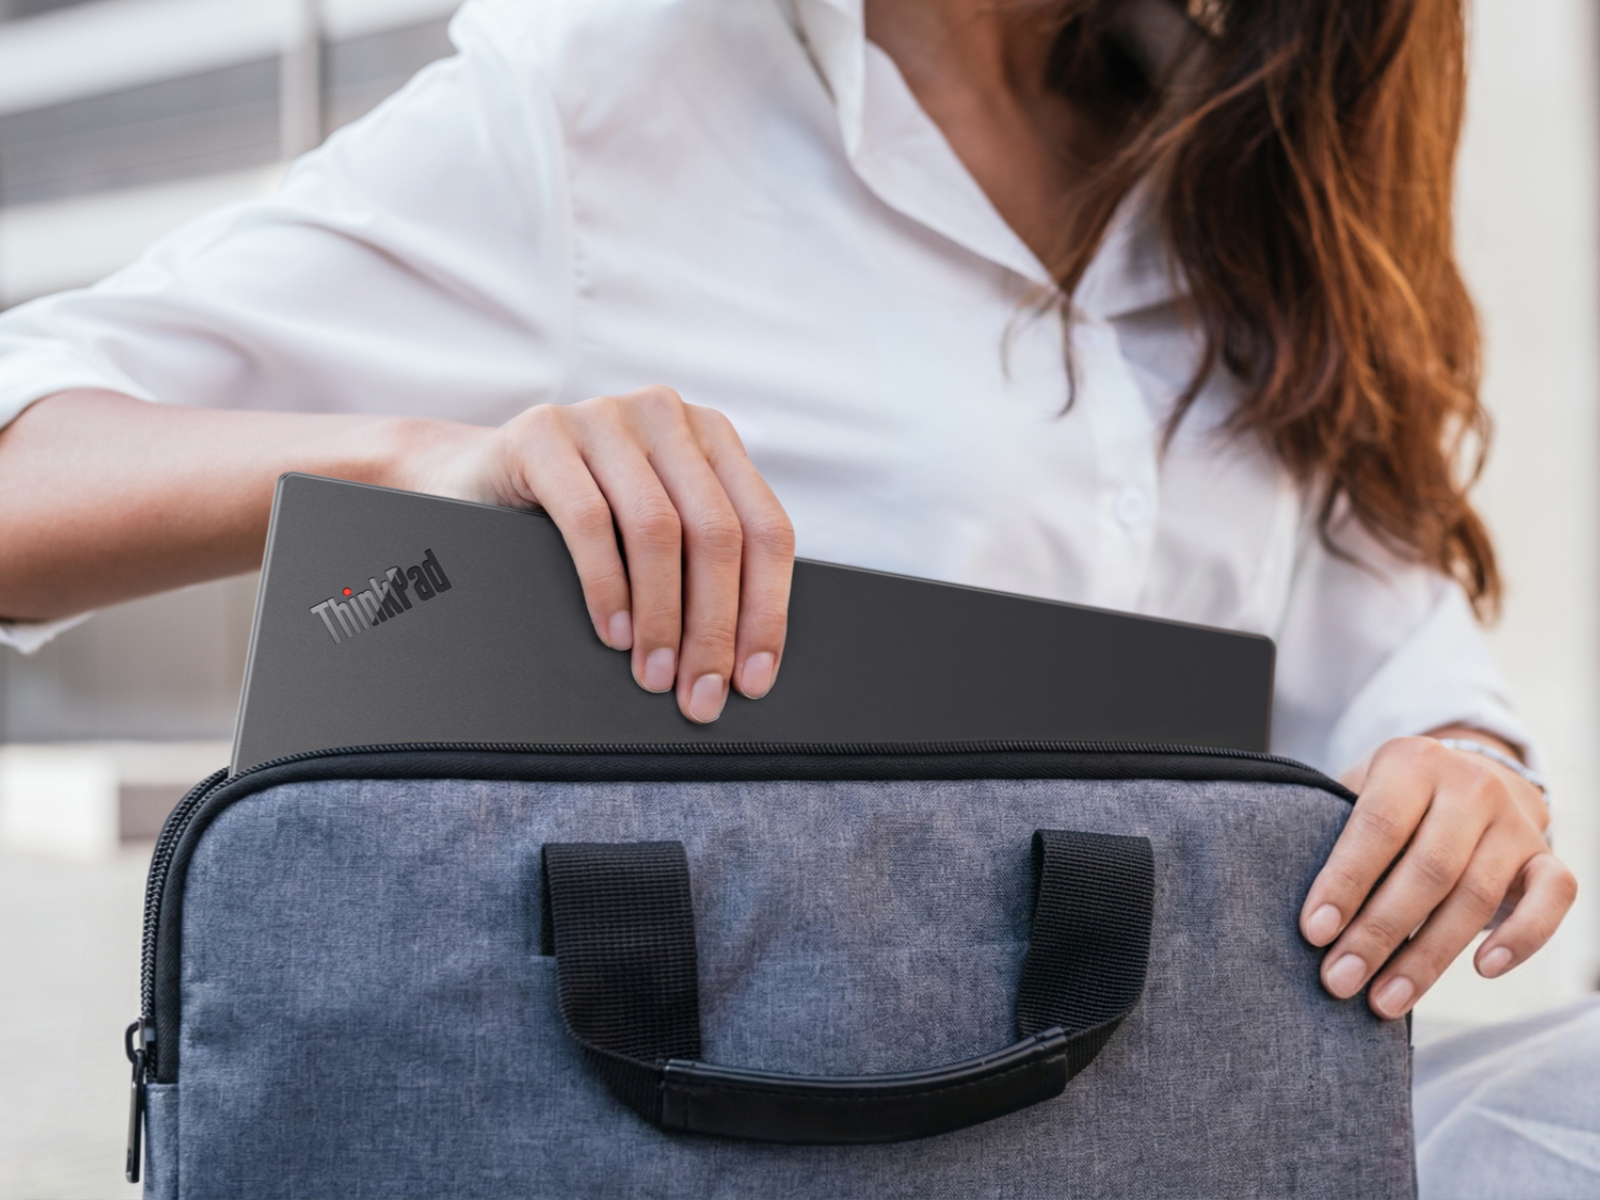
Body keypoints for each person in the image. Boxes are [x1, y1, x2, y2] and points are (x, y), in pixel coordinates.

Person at [0, 0, 1575, 1040]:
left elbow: (1395, 667)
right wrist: (419, 460)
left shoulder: (1255, 151)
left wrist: (1462, 777)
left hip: (1180, 1097)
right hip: (735, 1111)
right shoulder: (611, 92)